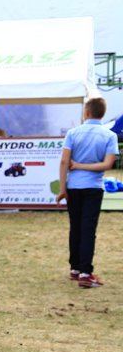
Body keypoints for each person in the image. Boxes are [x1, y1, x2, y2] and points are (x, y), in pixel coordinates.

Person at [56, 97, 119, 288]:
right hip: (93, 187)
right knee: (88, 230)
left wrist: (62, 188)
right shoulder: (110, 136)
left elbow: (64, 162)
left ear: (87, 112)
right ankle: (86, 272)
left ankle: (75, 268)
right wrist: (83, 166)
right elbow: (108, 164)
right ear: (102, 113)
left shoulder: (73, 133)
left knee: (75, 227)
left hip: (74, 186)